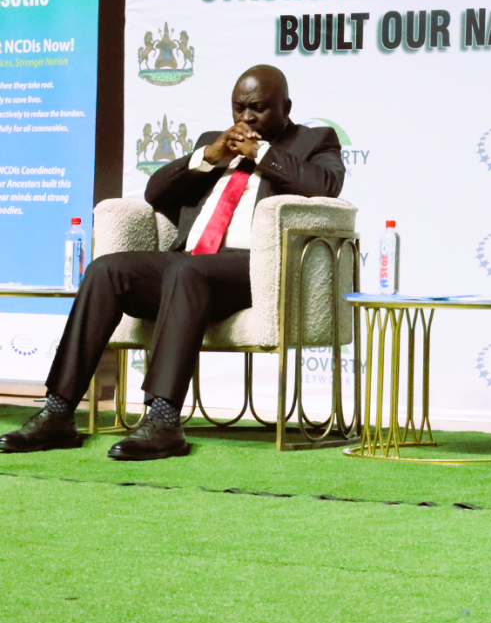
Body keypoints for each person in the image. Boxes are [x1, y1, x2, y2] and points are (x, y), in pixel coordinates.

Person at [0, 65, 343, 461]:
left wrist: (261, 154)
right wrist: (208, 157)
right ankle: (58, 413)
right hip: (190, 263)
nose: (246, 119)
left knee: (186, 271)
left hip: (251, 270)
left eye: (258, 109)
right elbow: (156, 193)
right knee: (106, 269)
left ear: (285, 107)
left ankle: (163, 419)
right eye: (239, 109)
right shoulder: (213, 144)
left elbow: (324, 187)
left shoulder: (315, 140)